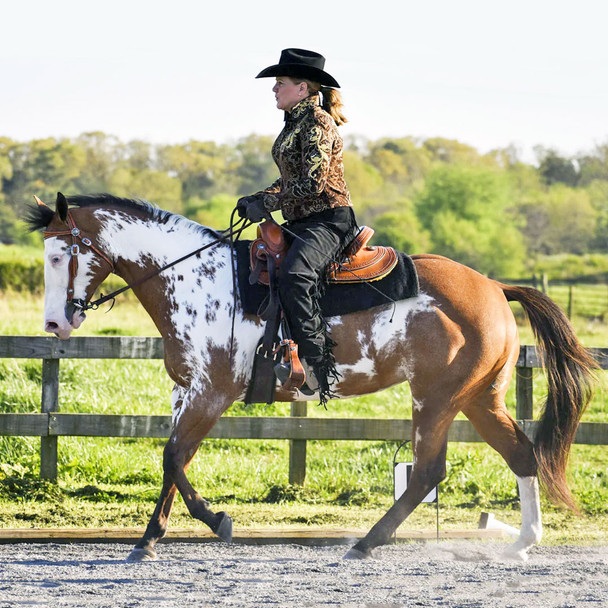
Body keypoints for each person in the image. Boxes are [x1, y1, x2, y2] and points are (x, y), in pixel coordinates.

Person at [237, 48, 358, 403]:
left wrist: (270, 202)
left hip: (329, 220)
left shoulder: (318, 123)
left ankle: (318, 365)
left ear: (302, 88)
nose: (274, 90)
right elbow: (289, 180)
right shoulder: (294, 123)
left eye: (280, 84)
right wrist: (258, 197)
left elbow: (314, 184)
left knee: (294, 276)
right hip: (303, 220)